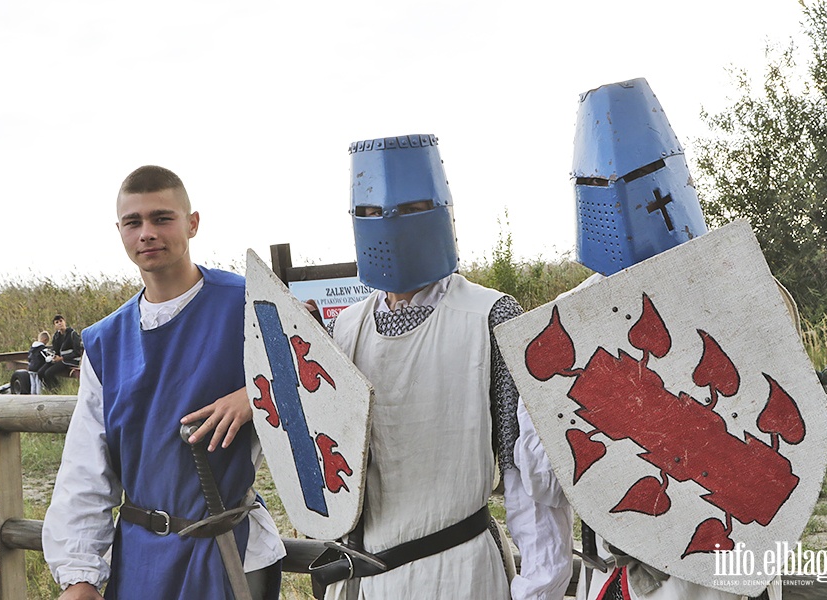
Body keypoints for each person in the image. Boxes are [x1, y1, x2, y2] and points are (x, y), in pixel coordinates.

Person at [518, 78, 780, 600]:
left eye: (642, 175)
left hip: (730, 577)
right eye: (600, 183)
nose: (626, 196)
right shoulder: (573, 320)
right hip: (629, 578)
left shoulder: (747, 292)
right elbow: (543, 477)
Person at [318, 135, 574, 600]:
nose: (390, 225)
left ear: (441, 211)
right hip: (362, 581)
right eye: (372, 214)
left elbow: (527, 477)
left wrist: (538, 587)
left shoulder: (491, 316)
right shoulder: (346, 328)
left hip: (459, 573)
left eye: (412, 208)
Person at [42, 165, 285, 600]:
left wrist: (257, 394)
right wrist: (80, 575)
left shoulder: (250, 304)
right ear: (119, 231)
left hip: (229, 548)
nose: (147, 233)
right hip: (140, 557)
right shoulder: (105, 342)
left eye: (162, 218)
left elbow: (323, 384)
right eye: (133, 222)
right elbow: (86, 467)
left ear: (192, 223)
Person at [37, 315, 83, 389]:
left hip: (70, 360)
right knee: (40, 372)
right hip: (60, 360)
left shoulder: (72, 334)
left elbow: (77, 352)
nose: (59, 323)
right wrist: (53, 356)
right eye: (57, 322)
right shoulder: (56, 336)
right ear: (55, 325)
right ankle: (49, 389)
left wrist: (62, 358)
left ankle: (57, 389)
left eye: (61, 321)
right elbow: (56, 350)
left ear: (64, 322)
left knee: (49, 372)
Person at [27, 330, 52, 394]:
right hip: (37, 368)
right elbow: (47, 358)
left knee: (33, 384)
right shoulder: (42, 349)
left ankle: (32, 395)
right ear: (45, 339)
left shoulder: (32, 348)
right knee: (38, 384)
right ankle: (38, 396)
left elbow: (29, 358)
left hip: (30, 368)